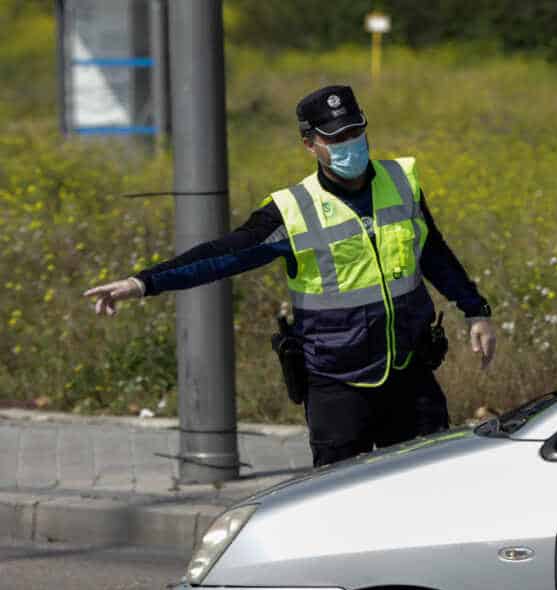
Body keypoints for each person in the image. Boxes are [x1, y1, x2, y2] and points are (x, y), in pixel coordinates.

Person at [84, 84, 497, 467]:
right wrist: (143, 282)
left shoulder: (401, 183)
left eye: (354, 132)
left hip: (409, 373)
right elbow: (223, 255)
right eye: (334, 138)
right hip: (338, 385)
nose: (348, 144)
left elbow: (433, 251)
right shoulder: (291, 210)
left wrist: (475, 309)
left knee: (425, 490)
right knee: (340, 505)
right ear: (309, 144)